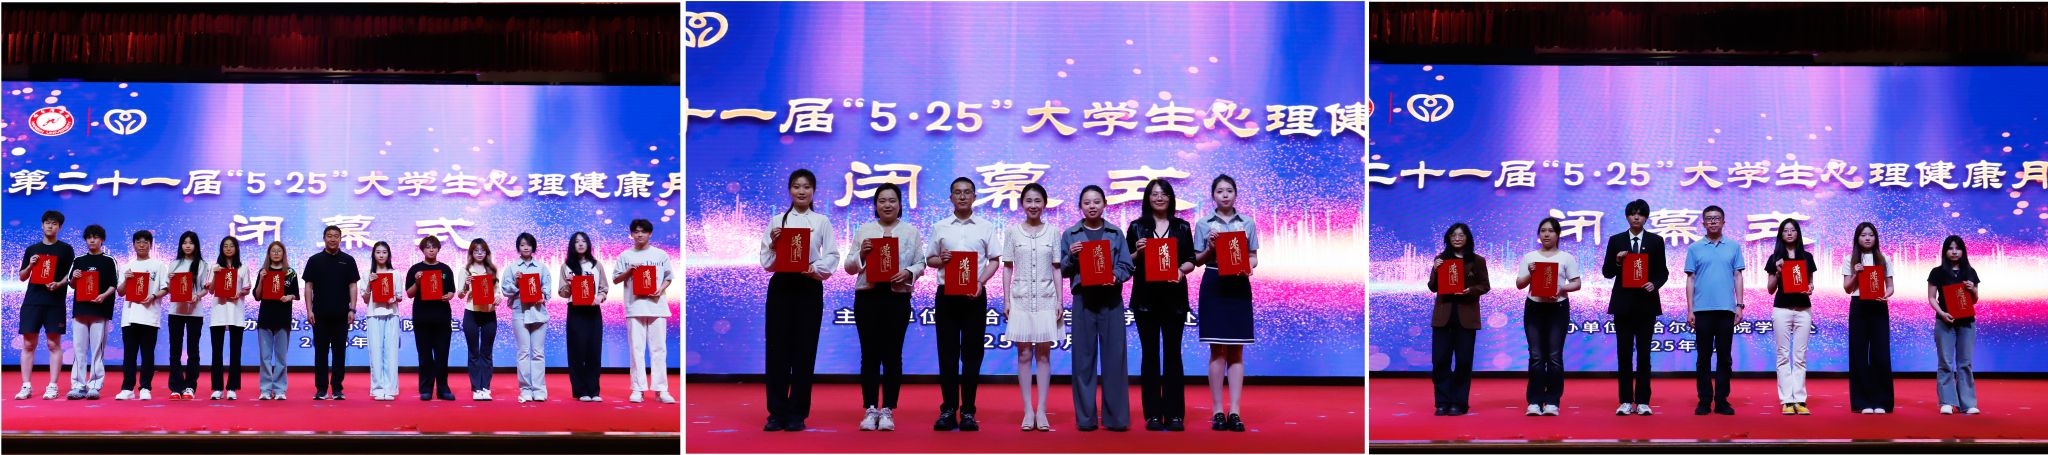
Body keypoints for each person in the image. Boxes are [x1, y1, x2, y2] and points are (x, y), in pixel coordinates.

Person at [925, 176, 1003, 432]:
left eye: (967, 192)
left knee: (972, 354)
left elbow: (994, 259)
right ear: (950, 197)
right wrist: (941, 259)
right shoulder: (940, 227)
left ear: (974, 197)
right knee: (947, 354)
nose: (962, 196)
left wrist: (981, 282)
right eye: (957, 192)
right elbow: (930, 260)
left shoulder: (985, 227)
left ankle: (968, 410)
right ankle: (948, 409)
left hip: (974, 296)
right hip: (946, 295)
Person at [844, 182, 923, 431]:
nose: (887, 205)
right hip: (867, 297)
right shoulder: (865, 230)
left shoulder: (910, 232)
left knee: (892, 354)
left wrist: (908, 272)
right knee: (869, 354)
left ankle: (887, 409)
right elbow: (848, 266)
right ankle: (870, 408)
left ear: (899, 204)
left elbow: (921, 263)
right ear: (875, 205)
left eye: (892, 200)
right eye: (882, 201)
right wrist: (862, 254)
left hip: (897, 298)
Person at [760, 169, 834, 430]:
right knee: (777, 350)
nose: (801, 191)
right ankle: (776, 412)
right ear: (789, 190)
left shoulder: (822, 221)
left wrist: (814, 268)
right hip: (781, 286)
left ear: (814, 191)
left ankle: (797, 413)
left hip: (808, 286)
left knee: (804, 350)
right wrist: (773, 244)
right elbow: (766, 263)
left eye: (806, 187)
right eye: (796, 186)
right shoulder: (777, 221)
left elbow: (832, 256)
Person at [1062, 185, 1135, 432]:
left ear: (1104, 204)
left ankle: (1116, 418)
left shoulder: (1115, 233)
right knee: (1083, 361)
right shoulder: (1071, 234)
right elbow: (1063, 269)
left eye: (1096, 202)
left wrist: (1115, 276)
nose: (1092, 206)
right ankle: (1086, 419)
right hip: (1083, 300)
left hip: (1111, 300)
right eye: (1087, 202)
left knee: (1115, 360)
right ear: (1080, 207)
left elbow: (1126, 265)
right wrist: (1072, 256)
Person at [1126, 179, 1196, 431]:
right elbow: (1126, 263)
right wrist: (1137, 253)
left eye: (1164, 194)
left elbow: (1191, 259)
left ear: (1171, 198)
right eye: (1154, 194)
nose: (1159, 198)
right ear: (1147, 198)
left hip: (1174, 299)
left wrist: (1180, 271)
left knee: (1173, 355)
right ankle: (1153, 414)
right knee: (1150, 356)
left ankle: (1175, 414)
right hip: (1145, 300)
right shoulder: (1136, 227)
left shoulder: (1182, 227)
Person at [1196, 174, 1259, 430]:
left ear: (1235, 194)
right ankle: (1217, 411)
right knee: (1216, 350)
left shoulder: (1247, 222)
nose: (1224, 195)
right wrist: (1210, 248)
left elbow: (1254, 257)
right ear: (1213, 195)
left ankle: (1234, 411)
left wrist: (1248, 267)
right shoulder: (1203, 223)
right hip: (1214, 283)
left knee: (1237, 350)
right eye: (1220, 191)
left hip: (1238, 286)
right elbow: (1197, 260)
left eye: (1229, 190)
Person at [1004, 183, 1064, 432]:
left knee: (1044, 354)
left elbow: (1057, 267)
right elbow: (1008, 267)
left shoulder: (1053, 232)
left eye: (1037, 200)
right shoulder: (1012, 232)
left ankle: (1042, 410)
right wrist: (1007, 300)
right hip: (1020, 298)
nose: (1033, 205)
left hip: (1047, 298)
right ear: (1022, 204)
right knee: (1024, 354)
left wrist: (1060, 300)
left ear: (1045, 204)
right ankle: (1028, 409)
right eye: (1028, 200)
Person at [1600, 199, 1667, 416]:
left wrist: (1654, 284)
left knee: (1644, 355)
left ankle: (1643, 401)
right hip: (1623, 305)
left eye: (1640, 214)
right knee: (1624, 353)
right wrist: (1618, 262)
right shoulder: (1616, 240)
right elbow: (1607, 272)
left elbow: (1663, 272)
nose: (1636, 217)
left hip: (1647, 305)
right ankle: (1626, 401)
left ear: (1646, 217)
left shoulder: (1656, 241)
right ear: (1627, 216)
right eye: (1632, 213)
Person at [1514, 217, 1581, 416]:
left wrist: (1562, 289)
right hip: (1534, 308)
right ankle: (1534, 401)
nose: (1546, 234)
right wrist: (1530, 273)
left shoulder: (1566, 257)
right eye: (1543, 230)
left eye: (1551, 231)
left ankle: (1552, 401)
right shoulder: (1530, 257)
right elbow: (1519, 284)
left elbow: (1577, 283)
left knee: (1554, 357)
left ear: (1558, 235)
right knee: (1536, 356)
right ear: (1539, 234)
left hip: (1557, 309)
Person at [1684, 205, 1744, 416]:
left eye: (1717, 218)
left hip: (1726, 310)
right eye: (1709, 219)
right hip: (1702, 310)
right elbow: (1691, 279)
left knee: (1725, 358)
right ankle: (1704, 400)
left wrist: (1739, 305)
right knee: (1703, 357)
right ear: (1703, 223)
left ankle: (1721, 401)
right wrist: (1690, 309)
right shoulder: (1695, 248)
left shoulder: (1734, 247)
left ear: (1723, 222)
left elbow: (1738, 276)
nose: (1713, 221)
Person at [1428, 223, 1487, 416]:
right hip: (1443, 317)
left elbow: (1485, 286)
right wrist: (1435, 270)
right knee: (1440, 360)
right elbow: (1432, 287)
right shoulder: (1440, 259)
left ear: (1468, 238)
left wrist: (1470, 291)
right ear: (1448, 238)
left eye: (1461, 235)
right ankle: (1442, 402)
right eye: (1453, 235)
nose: (1457, 238)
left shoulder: (1477, 260)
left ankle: (1459, 402)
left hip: (1466, 316)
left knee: (1463, 361)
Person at [616, 218, 675, 404]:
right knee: (636, 349)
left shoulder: (660, 254)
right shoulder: (625, 255)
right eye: (636, 231)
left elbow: (668, 277)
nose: (639, 234)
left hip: (657, 307)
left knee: (659, 349)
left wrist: (660, 289)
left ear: (650, 234)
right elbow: (616, 279)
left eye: (643, 231)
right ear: (631, 234)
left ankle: (661, 390)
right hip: (634, 307)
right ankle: (638, 389)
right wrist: (629, 272)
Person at [16, 210, 73, 401]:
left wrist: (58, 284)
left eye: (54, 223)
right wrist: (30, 265)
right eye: (47, 223)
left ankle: (52, 385)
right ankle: (26, 385)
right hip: (32, 301)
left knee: (53, 344)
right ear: (42, 225)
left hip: (55, 302)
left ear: (60, 227)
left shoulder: (66, 249)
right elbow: (22, 276)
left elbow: (70, 276)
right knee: (28, 344)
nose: (50, 226)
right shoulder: (32, 249)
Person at [1763, 219, 1816, 415]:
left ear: (1798, 233)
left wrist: (1810, 288)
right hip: (1782, 309)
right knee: (1783, 355)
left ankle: (1800, 400)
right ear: (1781, 235)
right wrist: (1778, 273)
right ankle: (1787, 400)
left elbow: (1811, 284)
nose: (1790, 233)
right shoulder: (1775, 258)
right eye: (1786, 230)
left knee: (1800, 356)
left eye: (1793, 230)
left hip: (1803, 310)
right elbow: (1770, 289)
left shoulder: (1807, 257)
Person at [303, 225, 361, 400]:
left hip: (341, 314)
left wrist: (352, 308)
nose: (333, 239)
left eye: (336, 236)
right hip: (319, 314)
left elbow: (353, 285)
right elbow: (308, 286)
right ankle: (321, 389)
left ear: (340, 239)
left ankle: (337, 388)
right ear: (324, 238)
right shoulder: (314, 260)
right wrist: (309, 310)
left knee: (339, 353)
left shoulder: (348, 260)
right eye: (329, 236)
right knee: (320, 353)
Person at [1843, 222, 1895, 414]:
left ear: (1876, 238)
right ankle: (1861, 402)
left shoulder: (1883, 259)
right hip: (1858, 306)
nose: (1867, 238)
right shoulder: (1849, 259)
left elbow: (1890, 286)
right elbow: (1847, 288)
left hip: (1879, 305)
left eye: (1871, 235)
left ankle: (1881, 401)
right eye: (1863, 235)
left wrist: (1886, 295)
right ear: (1857, 238)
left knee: (1880, 353)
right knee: (1858, 353)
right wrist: (1856, 274)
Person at [1927, 235, 1980, 415]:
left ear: (1963, 251)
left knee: (1965, 363)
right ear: (1945, 251)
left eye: (1958, 248)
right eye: (1950, 248)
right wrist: (1942, 313)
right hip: (1944, 322)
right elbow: (1931, 298)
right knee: (1946, 363)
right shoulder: (1937, 272)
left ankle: (1967, 403)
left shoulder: (1970, 272)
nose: (1954, 251)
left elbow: (1974, 300)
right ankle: (1947, 402)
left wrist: (1973, 289)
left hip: (1967, 323)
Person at [65, 224, 117, 400]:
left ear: (102, 240)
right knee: (79, 350)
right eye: (89, 237)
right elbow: (72, 284)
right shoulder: (78, 260)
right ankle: (78, 385)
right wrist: (75, 277)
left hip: (100, 310)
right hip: (81, 310)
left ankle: (94, 385)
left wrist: (103, 296)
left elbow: (114, 285)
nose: (92, 240)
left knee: (97, 351)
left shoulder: (109, 260)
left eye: (95, 237)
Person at [115, 230, 167, 401]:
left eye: (145, 242)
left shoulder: (158, 265)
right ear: (134, 245)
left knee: (147, 354)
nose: (142, 245)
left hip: (149, 316)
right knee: (129, 354)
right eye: (138, 242)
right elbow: (120, 292)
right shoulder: (127, 266)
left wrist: (153, 296)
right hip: (129, 317)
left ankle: (145, 387)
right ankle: (127, 388)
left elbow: (166, 288)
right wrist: (126, 280)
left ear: (150, 245)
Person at [501, 233, 553, 403]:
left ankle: (539, 389)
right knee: (523, 352)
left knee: (538, 352)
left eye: (529, 245)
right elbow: (505, 290)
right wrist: (517, 283)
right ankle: (525, 389)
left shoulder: (541, 267)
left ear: (533, 247)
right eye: (522, 244)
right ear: (518, 247)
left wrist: (543, 297)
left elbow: (547, 289)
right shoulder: (512, 268)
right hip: (520, 312)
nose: (526, 247)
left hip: (538, 312)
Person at [559, 232, 608, 402]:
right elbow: (563, 293)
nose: (580, 244)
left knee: (594, 350)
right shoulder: (566, 266)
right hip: (575, 310)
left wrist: (599, 298)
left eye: (583, 241)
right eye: (577, 241)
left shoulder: (597, 265)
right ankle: (580, 391)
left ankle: (594, 390)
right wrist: (569, 284)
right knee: (577, 350)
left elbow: (604, 288)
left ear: (588, 244)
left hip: (593, 310)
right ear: (572, 245)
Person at [408, 236, 457, 401]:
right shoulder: (415, 269)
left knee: (442, 354)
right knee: (425, 355)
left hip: (442, 317)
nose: (431, 249)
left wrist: (449, 296)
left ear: (438, 249)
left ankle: (443, 389)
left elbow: (451, 291)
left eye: (434, 247)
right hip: (422, 318)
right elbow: (409, 294)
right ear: (422, 250)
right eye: (427, 247)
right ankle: (426, 389)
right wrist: (417, 282)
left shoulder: (445, 269)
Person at [164, 231, 209, 401]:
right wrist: (170, 280)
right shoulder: (174, 264)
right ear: (180, 245)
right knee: (175, 350)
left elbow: (205, 289)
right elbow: (169, 289)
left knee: (193, 351)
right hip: (176, 311)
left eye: (191, 243)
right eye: (184, 243)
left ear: (196, 245)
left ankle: (190, 386)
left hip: (195, 312)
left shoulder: (203, 265)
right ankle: (176, 387)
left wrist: (197, 296)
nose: (188, 246)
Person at [206, 236, 251, 400]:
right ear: (221, 249)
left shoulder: (243, 267)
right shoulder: (215, 267)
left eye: (231, 246)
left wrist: (239, 293)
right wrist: (215, 275)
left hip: (236, 313)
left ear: (236, 248)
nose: (228, 248)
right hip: (218, 313)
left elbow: (247, 289)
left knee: (235, 352)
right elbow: (211, 290)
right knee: (216, 352)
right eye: (225, 246)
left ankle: (232, 387)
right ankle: (217, 388)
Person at [253, 241, 299, 400]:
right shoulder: (263, 271)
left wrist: (289, 296)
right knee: (265, 357)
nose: (276, 253)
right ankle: (265, 389)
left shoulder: (290, 273)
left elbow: (296, 294)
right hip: (265, 318)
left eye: (279, 251)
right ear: (269, 254)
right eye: (273, 251)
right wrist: (261, 279)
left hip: (282, 318)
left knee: (281, 357)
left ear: (283, 254)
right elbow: (257, 296)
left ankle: (280, 389)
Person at [360, 241, 405, 401]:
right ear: (373, 254)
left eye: (384, 252)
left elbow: (399, 297)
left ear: (388, 255)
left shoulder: (395, 274)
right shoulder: (367, 273)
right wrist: (370, 284)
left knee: (391, 352)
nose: (381, 255)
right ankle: (378, 389)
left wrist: (394, 298)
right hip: (373, 315)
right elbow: (365, 299)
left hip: (392, 314)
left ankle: (390, 389)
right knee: (375, 352)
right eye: (378, 252)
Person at [456, 238, 500, 401]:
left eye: (482, 250)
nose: (479, 253)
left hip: (489, 313)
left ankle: (486, 388)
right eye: (476, 251)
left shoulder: (492, 270)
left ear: (486, 252)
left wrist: (498, 297)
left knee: (486, 352)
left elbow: (497, 291)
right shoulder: (465, 270)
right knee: (474, 352)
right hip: (471, 313)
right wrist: (467, 286)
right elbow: (460, 295)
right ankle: (476, 388)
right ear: (471, 253)